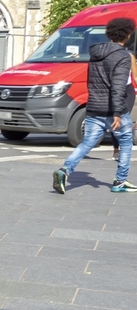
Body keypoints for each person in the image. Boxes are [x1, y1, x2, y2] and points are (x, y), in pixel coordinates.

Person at [52, 16, 136, 194]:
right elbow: (118, 86)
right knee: (126, 142)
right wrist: (117, 113)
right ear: (127, 34)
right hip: (114, 108)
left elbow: (93, 82)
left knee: (87, 142)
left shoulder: (96, 53)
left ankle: (65, 170)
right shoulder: (122, 56)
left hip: (94, 107)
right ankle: (120, 181)